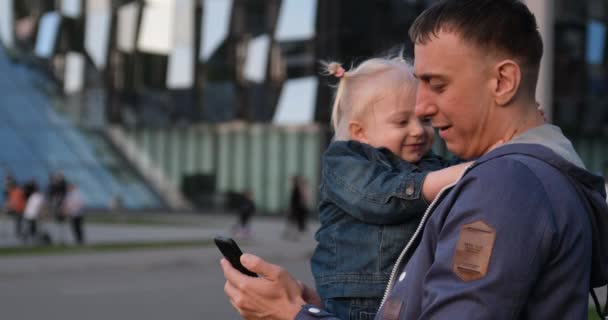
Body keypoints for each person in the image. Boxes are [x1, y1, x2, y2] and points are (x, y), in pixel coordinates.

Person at [220, 1, 608, 319]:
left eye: (437, 85)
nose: (423, 107)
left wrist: (293, 315)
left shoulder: (505, 185)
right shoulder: (538, 173)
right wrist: (320, 311)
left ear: (503, 82)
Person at [309, 57, 471, 319]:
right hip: (361, 298)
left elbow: (472, 170)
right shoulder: (344, 161)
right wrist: (451, 176)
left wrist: (509, 136)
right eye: (402, 122)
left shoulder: (429, 163)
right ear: (360, 132)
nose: (418, 130)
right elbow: (379, 197)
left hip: (410, 288)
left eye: (425, 120)